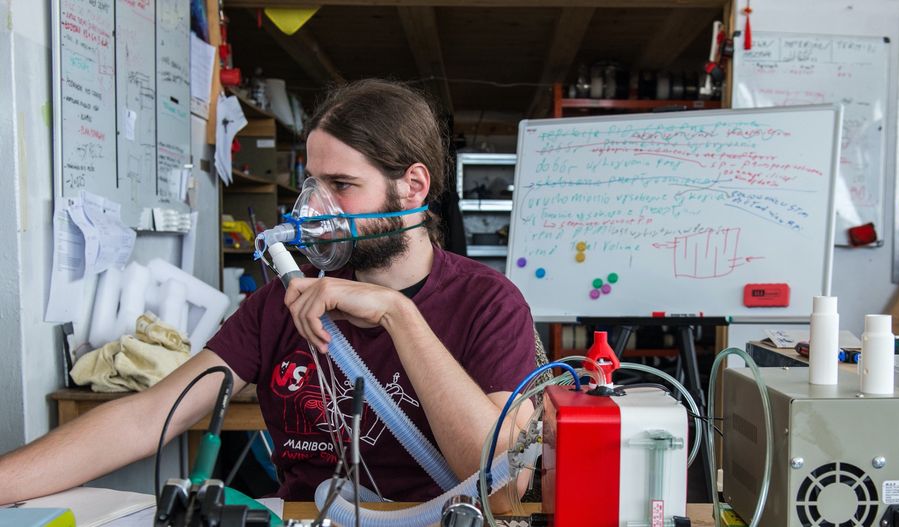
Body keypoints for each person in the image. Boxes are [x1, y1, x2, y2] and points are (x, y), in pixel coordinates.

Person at [0, 79, 536, 509]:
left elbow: (502, 485)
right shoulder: (285, 300)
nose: (315, 210)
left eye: (341, 185)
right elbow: (149, 417)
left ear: (412, 187)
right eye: (312, 184)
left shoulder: (488, 304)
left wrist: (399, 315)